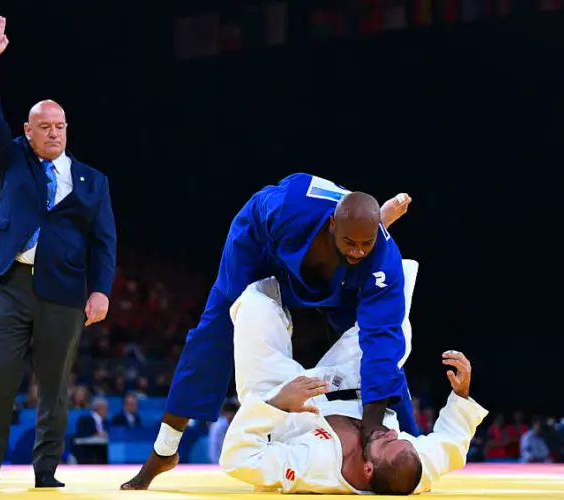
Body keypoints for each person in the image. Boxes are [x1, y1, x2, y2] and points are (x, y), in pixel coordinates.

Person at [122, 174, 413, 489]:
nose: (359, 251)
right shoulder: (287, 208)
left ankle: (412, 441)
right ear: (332, 225)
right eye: (352, 242)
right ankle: (163, 451)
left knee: (368, 349)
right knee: (216, 328)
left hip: (340, 274)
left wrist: (374, 432)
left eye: (366, 242)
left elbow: (382, 342)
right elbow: (262, 220)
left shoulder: (382, 259)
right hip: (262, 246)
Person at [0, 16, 116, 489]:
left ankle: (45, 470)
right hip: (9, 285)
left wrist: (101, 291)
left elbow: (104, 242)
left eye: (59, 126)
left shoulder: (93, 181)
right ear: (27, 132)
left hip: (65, 292)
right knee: (1, 372)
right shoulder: (11, 160)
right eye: (43, 126)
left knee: (54, 385)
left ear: (67, 130)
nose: (53, 133)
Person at [219, 275, 488, 494]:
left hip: (285, 401)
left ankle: (280, 269)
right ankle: (368, 251)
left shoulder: (315, 470)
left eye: (385, 442)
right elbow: (451, 443)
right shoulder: (410, 465)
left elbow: (238, 460)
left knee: (255, 304)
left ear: (368, 470)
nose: (393, 434)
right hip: (348, 384)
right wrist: (461, 394)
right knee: (394, 316)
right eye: (401, 440)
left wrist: (276, 405)